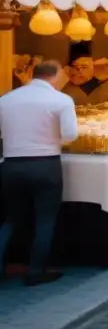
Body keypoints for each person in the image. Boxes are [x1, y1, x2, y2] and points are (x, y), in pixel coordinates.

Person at [0, 61, 77, 287]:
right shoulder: (61, 100)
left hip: (11, 164)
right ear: (55, 75)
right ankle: (35, 271)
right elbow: (70, 135)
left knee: (11, 219)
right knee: (45, 219)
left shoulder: (6, 99)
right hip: (45, 163)